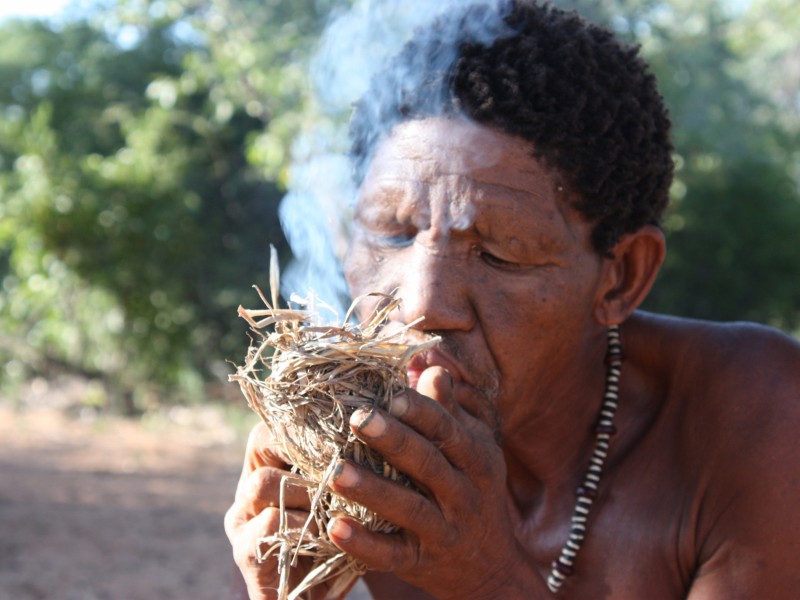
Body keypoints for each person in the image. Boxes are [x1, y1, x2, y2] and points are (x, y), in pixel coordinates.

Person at [224, 1, 800, 598]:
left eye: (499, 254)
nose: (422, 304)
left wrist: (488, 578)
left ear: (622, 277)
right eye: (391, 233)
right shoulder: (370, 473)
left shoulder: (757, 415)